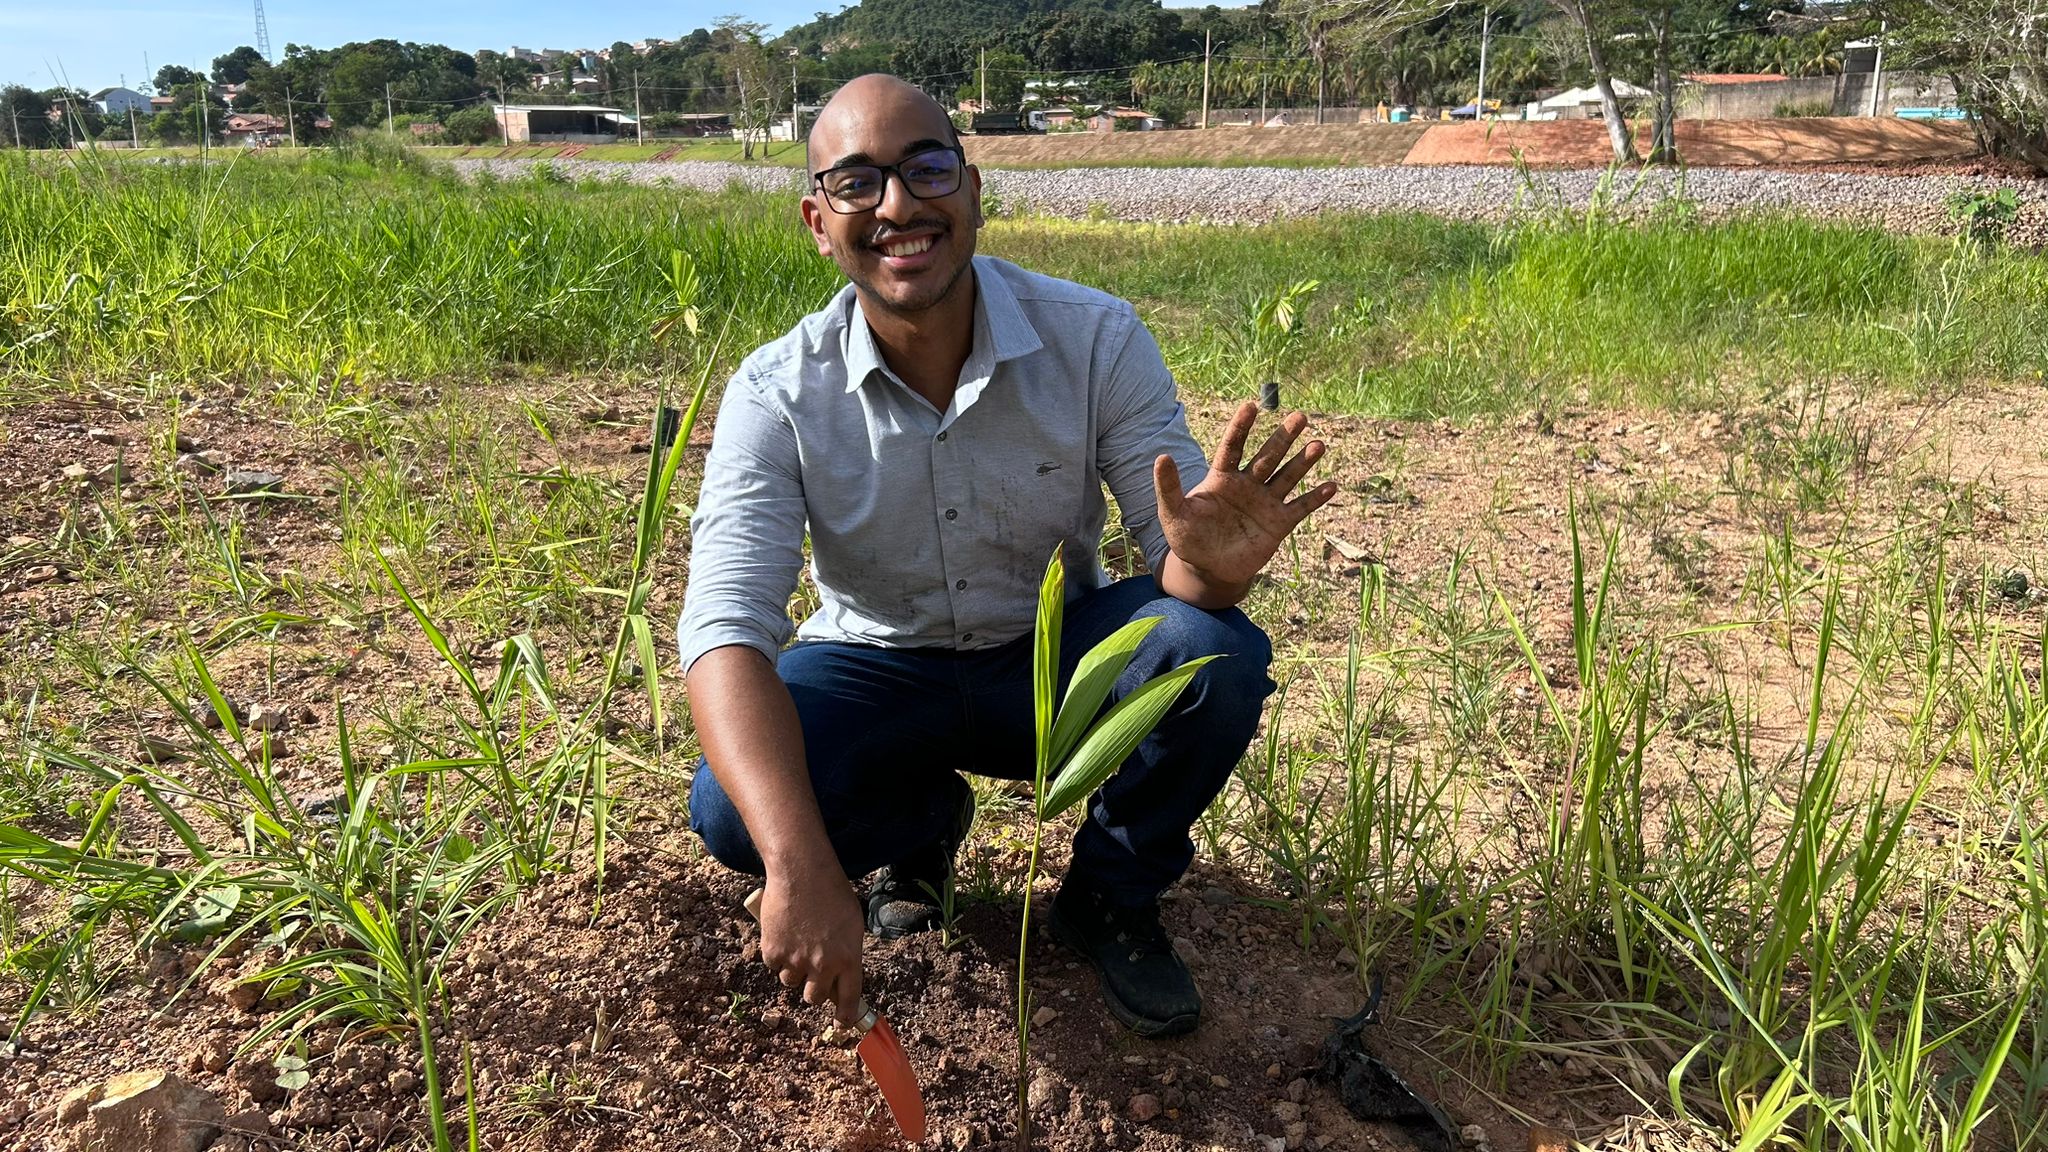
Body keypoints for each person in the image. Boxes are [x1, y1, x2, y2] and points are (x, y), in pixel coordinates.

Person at [678, 74, 1337, 1039]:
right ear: (820, 221)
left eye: (926, 168)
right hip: (876, 666)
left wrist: (1214, 564)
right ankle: (918, 830)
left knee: (1214, 651)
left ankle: (1110, 894)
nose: (899, 205)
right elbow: (725, 627)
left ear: (974, 191)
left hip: (1049, 658)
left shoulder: (1095, 337)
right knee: (736, 814)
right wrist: (801, 867)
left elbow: (1182, 574)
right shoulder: (778, 390)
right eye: (859, 184)